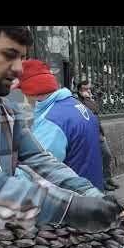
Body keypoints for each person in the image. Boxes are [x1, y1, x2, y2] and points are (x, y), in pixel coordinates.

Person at [0, 26, 124, 248]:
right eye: (9, 55)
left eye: (22, 58)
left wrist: (92, 196)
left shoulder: (6, 110)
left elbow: (41, 160)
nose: (19, 69)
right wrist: (65, 208)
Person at [17, 60, 104, 192]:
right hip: (92, 192)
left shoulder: (52, 122)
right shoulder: (77, 106)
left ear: (30, 92)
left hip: (73, 202)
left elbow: (34, 172)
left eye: (22, 92)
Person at [77, 80, 119, 192]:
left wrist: (102, 133)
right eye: (86, 89)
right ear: (80, 90)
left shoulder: (90, 100)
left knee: (107, 155)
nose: (89, 91)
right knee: (99, 158)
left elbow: (96, 116)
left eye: (89, 89)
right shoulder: (79, 102)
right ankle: (103, 182)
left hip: (98, 133)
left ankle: (108, 178)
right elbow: (89, 112)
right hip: (90, 134)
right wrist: (86, 99)